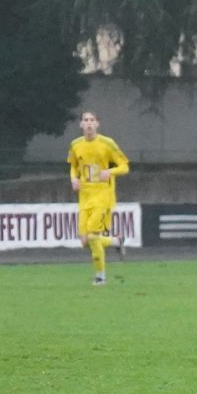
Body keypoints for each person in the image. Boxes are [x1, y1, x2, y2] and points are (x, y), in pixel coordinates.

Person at [69, 111, 130, 284]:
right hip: (84, 196)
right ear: (81, 125)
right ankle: (116, 241)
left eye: (92, 120)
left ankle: (100, 277)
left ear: (97, 124)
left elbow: (125, 166)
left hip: (103, 195)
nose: (88, 124)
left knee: (94, 237)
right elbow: (73, 166)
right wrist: (73, 178)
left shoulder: (107, 143)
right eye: (85, 120)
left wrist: (110, 171)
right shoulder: (75, 145)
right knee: (84, 241)